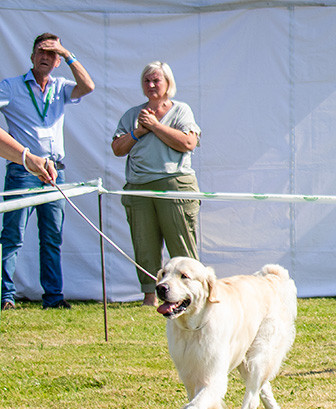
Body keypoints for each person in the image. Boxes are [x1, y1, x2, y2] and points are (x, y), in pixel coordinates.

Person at [0, 33, 94, 311]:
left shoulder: (61, 86)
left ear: (57, 62)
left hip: (55, 171)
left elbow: (88, 86)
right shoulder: (12, 86)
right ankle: (6, 296)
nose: (45, 56)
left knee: (52, 236)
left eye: (51, 54)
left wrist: (68, 54)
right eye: (41, 51)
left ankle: (53, 297)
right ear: (31, 57)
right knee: (12, 235)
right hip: (23, 168)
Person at [111, 62, 202, 306]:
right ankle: (150, 296)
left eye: (156, 80)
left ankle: (190, 296)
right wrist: (138, 132)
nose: (151, 85)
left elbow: (188, 143)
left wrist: (155, 126)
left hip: (175, 185)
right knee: (144, 243)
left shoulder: (182, 110)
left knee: (181, 243)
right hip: (138, 186)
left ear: (168, 83)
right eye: (147, 81)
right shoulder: (132, 115)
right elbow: (117, 149)